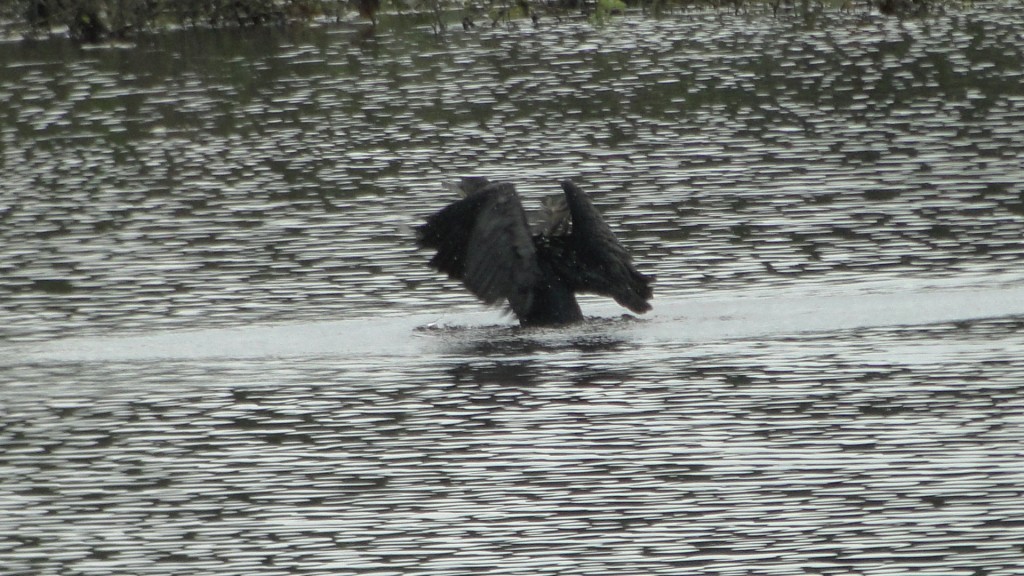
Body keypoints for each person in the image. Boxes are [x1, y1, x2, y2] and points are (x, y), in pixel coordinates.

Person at [416, 178, 653, 326]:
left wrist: (431, 233)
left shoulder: (510, 251)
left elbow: (475, 235)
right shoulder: (558, 251)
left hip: (542, 331)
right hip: (572, 325)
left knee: (500, 194)